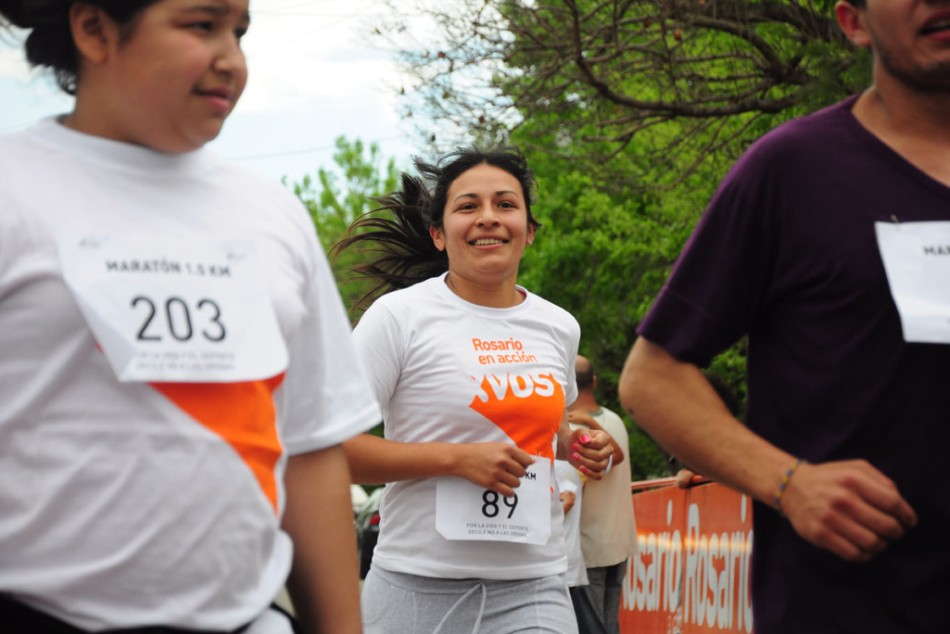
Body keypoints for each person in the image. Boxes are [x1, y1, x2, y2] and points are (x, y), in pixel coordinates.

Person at [0, 1, 379, 633]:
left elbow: (311, 448)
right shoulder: (13, 188)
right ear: (94, 29)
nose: (230, 58)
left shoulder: (273, 215)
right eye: (201, 26)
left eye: (240, 32)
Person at [618, 1, 949, 632]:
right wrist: (788, 483)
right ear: (853, 24)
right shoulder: (792, 171)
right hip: (848, 609)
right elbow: (652, 376)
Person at [334, 147, 614, 633]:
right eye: (468, 206)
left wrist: (581, 446)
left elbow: (550, 430)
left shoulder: (558, 326)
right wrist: (455, 460)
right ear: (439, 234)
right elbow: (332, 451)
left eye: (505, 204)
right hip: (415, 586)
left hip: (534, 586)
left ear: (528, 231)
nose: (488, 218)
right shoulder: (398, 317)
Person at [567, 355, 637, 634]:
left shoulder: (572, 431)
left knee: (591, 627)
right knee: (609, 624)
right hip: (620, 542)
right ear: (594, 382)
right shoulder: (615, 421)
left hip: (590, 548)